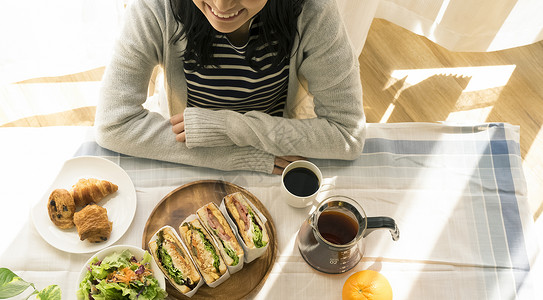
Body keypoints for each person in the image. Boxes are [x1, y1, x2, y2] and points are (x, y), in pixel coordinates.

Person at [95, 0, 366, 175]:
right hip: (191, 148)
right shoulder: (155, 7)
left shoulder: (313, 11)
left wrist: (228, 127)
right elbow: (112, 124)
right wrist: (241, 154)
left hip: (276, 146)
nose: (221, 5)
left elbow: (347, 134)